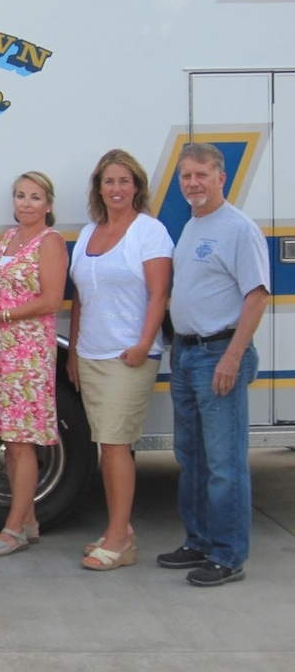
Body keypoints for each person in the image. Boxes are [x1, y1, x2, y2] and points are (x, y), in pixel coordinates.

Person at [157, 143, 268, 587]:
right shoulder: (193, 225)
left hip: (218, 355)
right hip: (187, 354)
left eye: (201, 174)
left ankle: (227, 556)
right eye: (186, 176)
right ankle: (199, 541)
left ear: (221, 177)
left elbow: (256, 296)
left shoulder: (239, 229)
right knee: (192, 457)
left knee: (224, 464)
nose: (193, 183)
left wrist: (232, 357)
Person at [67, 150, 172, 571]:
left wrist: (144, 344)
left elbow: (159, 294)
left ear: (137, 187)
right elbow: (80, 298)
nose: (116, 189)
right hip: (91, 354)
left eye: (124, 181)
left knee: (114, 445)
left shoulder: (149, 231)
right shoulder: (88, 233)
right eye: (109, 181)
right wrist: (74, 350)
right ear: (99, 188)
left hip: (129, 357)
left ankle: (119, 540)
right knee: (107, 446)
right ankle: (119, 529)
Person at [0, 171, 68, 557]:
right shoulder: (9, 238)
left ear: (49, 204)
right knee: (8, 439)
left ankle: (12, 530)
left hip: (28, 353)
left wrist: (2, 317)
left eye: (35, 197)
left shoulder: (51, 241)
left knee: (21, 441)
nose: (26, 203)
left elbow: (52, 300)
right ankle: (28, 522)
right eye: (21, 195)